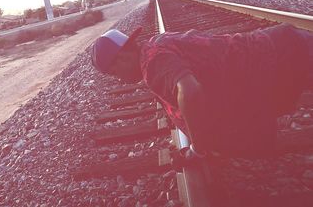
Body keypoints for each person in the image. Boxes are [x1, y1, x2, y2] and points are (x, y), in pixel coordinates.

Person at [91, 23, 312, 158]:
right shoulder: (154, 45)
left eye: (114, 73)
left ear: (121, 58)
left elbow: (190, 91)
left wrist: (198, 148)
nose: (120, 79)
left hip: (282, 57)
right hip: (281, 46)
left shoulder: (152, 64)